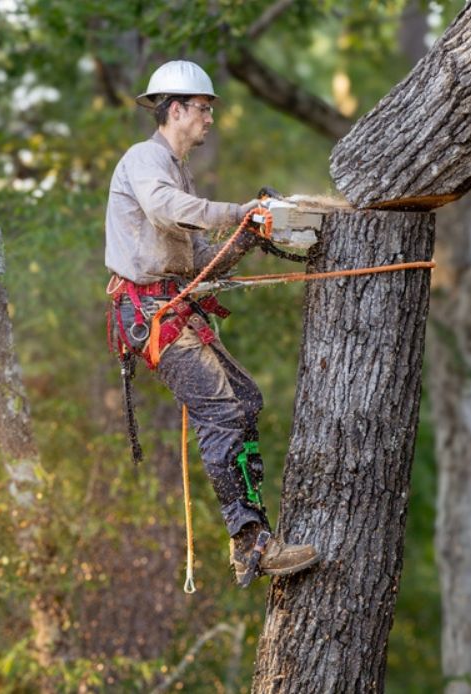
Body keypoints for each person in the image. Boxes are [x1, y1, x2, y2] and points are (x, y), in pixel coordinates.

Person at [105, 60, 319, 587]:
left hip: (175, 307)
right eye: (203, 109)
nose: (209, 120)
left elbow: (203, 257)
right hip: (151, 312)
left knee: (244, 399)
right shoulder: (145, 161)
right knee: (222, 411)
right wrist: (237, 211)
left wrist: (250, 235)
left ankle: (253, 537)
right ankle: (252, 543)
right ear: (175, 109)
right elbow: (163, 210)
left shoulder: (177, 172)